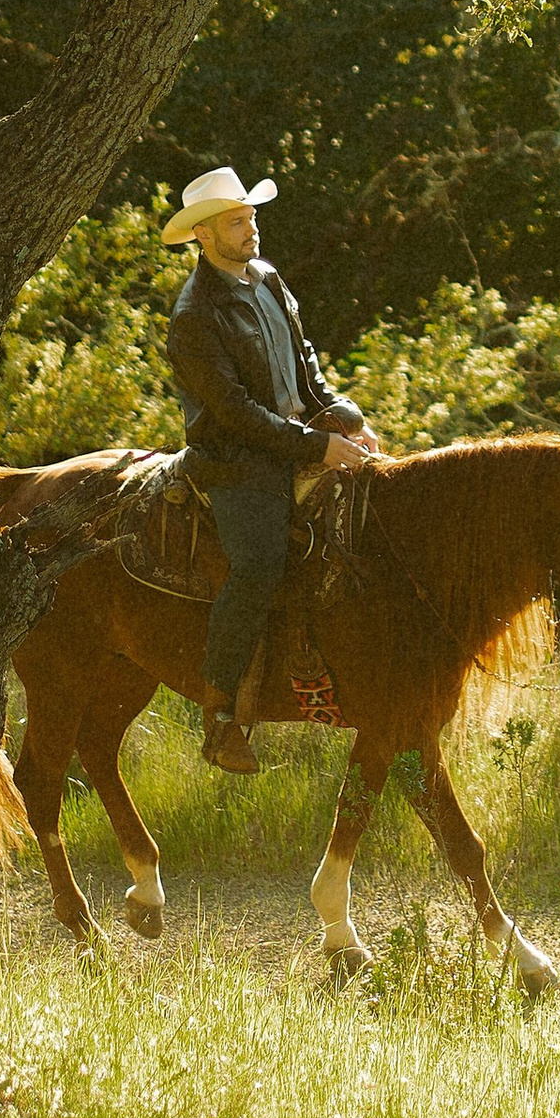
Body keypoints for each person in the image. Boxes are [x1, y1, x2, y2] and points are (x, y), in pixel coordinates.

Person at [161, 164, 379, 773]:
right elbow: (233, 414)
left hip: (297, 435)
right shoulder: (195, 316)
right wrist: (317, 448)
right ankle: (222, 710)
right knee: (258, 564)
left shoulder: (268, 278)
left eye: (251, 216)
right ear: (203, 235)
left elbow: (304, 365)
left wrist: (339, 415)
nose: (250, 228)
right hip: (238, 463)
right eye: (236, 221)